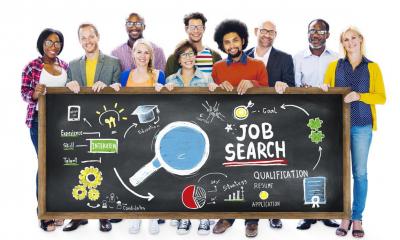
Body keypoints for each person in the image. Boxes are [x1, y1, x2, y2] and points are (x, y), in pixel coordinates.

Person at [321, 27, 386, 238]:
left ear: (361, 40)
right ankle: (344, 216)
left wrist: (360, 96)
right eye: (346, 40)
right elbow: (327, 92)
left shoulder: (372, 67)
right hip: (338, 126)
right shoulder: (334, 66)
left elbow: (381, 97)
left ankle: (357, 217)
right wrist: (323, 88)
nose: (350, 43)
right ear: (342, 44)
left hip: (362, 126)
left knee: (359, 173)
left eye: (353, 38)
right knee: (340, 172)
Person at [211, 19, 268, 238]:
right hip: (226, 128)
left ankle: (252, 219)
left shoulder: (258, 65)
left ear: (243, 40)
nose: (232, 45)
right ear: (222, 45)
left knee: (252, 170)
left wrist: (254, 84)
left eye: (235, 40)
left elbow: (268, 94)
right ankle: (227, 216)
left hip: (253, 127)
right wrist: (216, 88)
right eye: (227, 42)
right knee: (227, 171)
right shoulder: (217, 68)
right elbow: (212, 98)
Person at [63, 23, 121, 232]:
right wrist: (68, 85)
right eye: (83, 38)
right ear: (79, 41)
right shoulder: (72, 65)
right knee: (79, 167)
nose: (88, 41)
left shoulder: (114, 63)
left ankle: (103, 215)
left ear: (98, 36)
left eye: (91, 36)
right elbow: (65, 92)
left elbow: (119, 90)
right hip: (80, 125)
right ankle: (79, 216)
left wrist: (110, 87)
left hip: (104, 124)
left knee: (104, 166)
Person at [244, 20, 295, 231]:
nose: (267, 35)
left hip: (274, 120)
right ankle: (251, 219)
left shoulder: (284, 58)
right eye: (263, 30)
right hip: (246, 120)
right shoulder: (242, 57)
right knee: (249, 167)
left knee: (274, 166)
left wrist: (284, 86)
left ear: (276, 34)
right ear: (256, 32)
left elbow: (291, 86)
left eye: (271, 32)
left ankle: (274, 211)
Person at [163, 40, 216, 235]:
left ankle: (203, 217)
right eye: (184, 55)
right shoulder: (170, 80)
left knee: (202, 173)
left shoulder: (206, 78)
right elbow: (165, 108)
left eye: (191, 54)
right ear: (178, 59)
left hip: (201, 133)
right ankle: (184, 216)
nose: (188, 58)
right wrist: (165, 92)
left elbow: (215, 106)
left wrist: (214, 89)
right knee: (182, 173)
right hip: (178, 133)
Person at [293, 18, 340, 230]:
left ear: (328, 35)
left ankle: (327, 211)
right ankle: (308, 213)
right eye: (312, 30)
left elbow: (340, 88)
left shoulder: (338, 59)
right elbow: (293, 88)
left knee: (328, 165)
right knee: (308, 164)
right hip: (305, 118)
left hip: (330, 118)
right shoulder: (297, 58)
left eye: (320, 31)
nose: (315, 34)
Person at [115, 38, 165, 234]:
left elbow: (169, 102)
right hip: (132, 130)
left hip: (154, 129)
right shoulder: (125, 75)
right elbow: (119, 102)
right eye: (139, 52)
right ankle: (135, 215)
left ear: (151, 56)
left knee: (155, 172)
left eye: (146, 52)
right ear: (132, 55)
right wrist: (116, 88)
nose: (143, 56)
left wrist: (164, 90)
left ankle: (153, 215)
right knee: (132, 169)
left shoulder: (159, 75)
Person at [21, 28, 68, 232]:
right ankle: (43, 211)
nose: (53, 46)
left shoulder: (65, 66)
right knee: (44, 164)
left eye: (57, 42)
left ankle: (56, 209)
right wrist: (34, 93)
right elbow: (24, 93)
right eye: (49, 42)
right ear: (42, 44)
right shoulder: (32, 66)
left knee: (59, 165)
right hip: (39, 121)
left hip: (61, 122)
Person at [164, 12, 221, 77]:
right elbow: (168, 83)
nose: (196, 31)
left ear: (204, 29)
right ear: (186, 29)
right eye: (192, 27)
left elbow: (219, 83)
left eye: (199, 27)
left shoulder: (216, 56)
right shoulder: (173, 58)